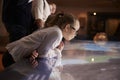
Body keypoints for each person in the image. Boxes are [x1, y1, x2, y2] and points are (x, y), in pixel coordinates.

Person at [1, 12, 80, 80]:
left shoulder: (55, 30)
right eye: (75, 30)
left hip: (11, 56)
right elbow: (43, 54)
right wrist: (58, 51)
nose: (75, 34)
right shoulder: (57, 33)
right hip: (11, 57)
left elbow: (41, 51)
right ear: (67, 27)